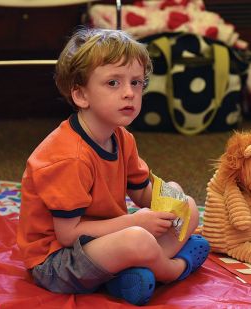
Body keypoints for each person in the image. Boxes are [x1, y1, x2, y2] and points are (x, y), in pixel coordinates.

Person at [17, 28, 210, 306]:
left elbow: (143, 191)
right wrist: (135, 221)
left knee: (188, 204)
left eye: (137, 82)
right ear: (81, 95)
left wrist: (169, 199)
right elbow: (68, 234)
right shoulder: (69, 157)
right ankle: (172, 269)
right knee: (138, 239)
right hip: (57, 261)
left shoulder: (121, 136)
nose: (129, 93)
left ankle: (128, 274)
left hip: (104, 240)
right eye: (113, 83)